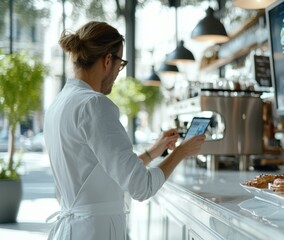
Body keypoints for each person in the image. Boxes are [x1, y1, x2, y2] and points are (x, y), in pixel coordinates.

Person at [43, 21, 205, 240]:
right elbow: (142, 187)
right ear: (108, 60)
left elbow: (100, 172)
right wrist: (181, 152)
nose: (118, 73)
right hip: (95, 232)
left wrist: (154, 151)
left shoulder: (59, 104)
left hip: (74, 230)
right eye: (121, 64)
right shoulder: (94, 105)